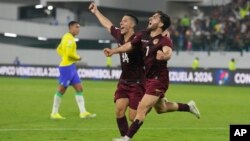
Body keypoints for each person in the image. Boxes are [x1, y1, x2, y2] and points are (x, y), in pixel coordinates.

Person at [104, 11, 201, 141]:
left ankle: (126, 138)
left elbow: (168, 52)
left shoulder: (164, 39)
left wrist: (164, 56)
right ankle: (188, 107)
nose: (150, 18)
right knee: (162, 108)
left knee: (141, 108)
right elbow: (129, 45)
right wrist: (114, 51)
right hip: (148, 79)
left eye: (154, 17)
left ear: (161, 23)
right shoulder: (143, 35)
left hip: (159, 80)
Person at [89, 2, 145, 137]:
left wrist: (113, 51)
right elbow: (108, 25)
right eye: (121, 21)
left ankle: (149, 104)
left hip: (137, 83)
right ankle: (125, 138)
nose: (121, 23)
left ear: (132, 24)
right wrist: (96, 11)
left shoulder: (137, 38)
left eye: (124, 21)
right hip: (124, 81)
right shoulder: (119, 35)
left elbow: (128, 47)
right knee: (119, 111)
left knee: (133, 117)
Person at [50, 21, 96, 119]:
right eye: (76, 27)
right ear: (71, 28)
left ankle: (83, 113)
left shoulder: (65, 37)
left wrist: (64, 57)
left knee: (79, 88)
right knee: (62, 89)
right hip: (67, 67)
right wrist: (78, 57)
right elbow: (70, 54)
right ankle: (54, 113)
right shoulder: (70, 39)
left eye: (79, 27)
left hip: (70, 66)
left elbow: (58, 49)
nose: (78, 29)